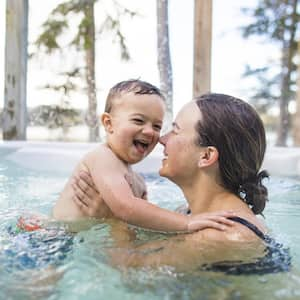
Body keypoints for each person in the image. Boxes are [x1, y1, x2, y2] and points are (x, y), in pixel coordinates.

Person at [72, 93, 291, 273]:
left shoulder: (225, 235)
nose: (162, 139)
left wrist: (113, 217)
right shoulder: (188, 213)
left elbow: (129, 273)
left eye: (175, 130)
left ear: (206, 156)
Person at [50, 80, 234, 233]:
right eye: (138, 120)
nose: (149, 131)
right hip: (58, 237)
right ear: (108, 123)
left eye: (157, 126)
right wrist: (186, 223)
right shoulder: (102, 157)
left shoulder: (137, 181)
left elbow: (142, 224)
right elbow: (126, 208)